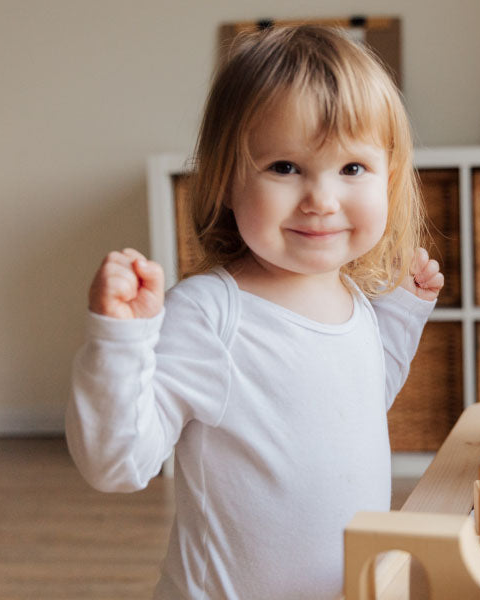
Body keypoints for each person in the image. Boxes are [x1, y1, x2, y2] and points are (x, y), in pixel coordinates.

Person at [66, 25, 443, 599]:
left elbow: (361, 400)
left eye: (352, 169)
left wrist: (400, 316)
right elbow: (117, 463)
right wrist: (121, 342)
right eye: (285, 167)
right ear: (227, 179)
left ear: (388, 181)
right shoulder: (211, 316)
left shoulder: (355, 303)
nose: (322, 198)